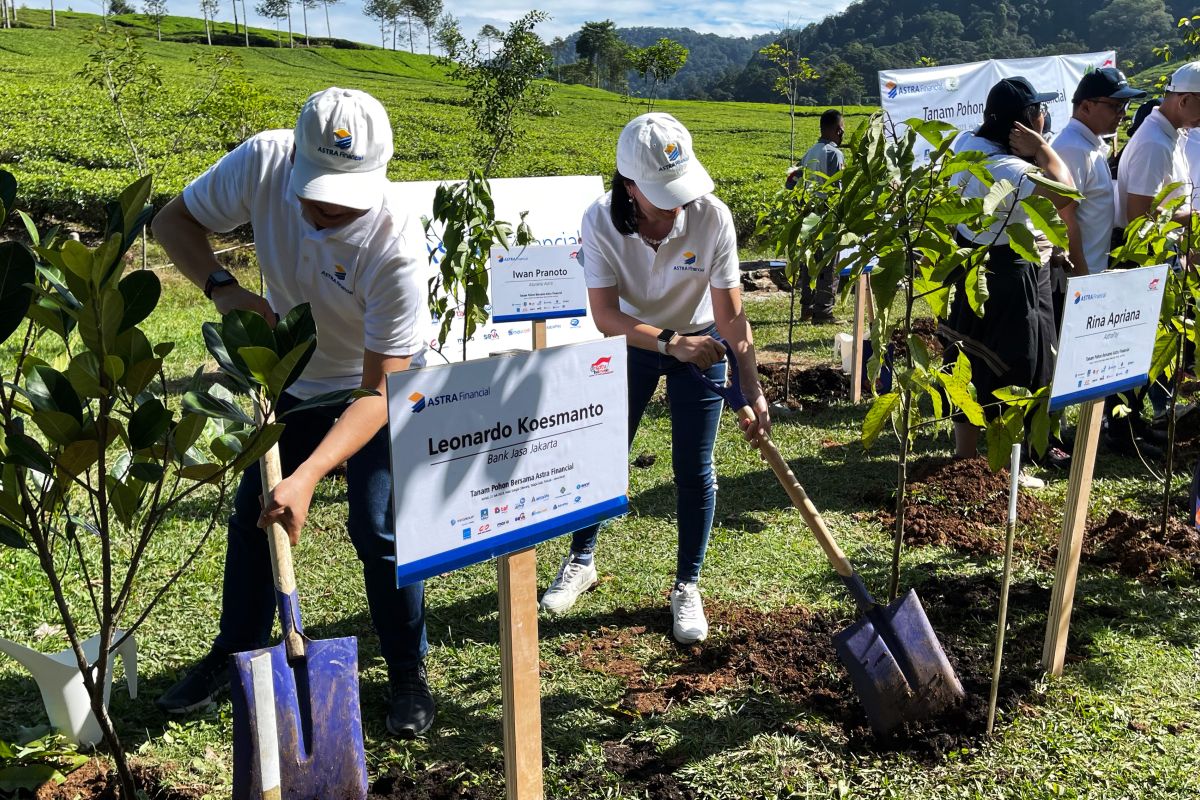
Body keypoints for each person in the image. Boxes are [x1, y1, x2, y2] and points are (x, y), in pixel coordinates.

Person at [151, 87, 436, 739]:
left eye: (343, 201)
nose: (322, 210)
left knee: (378, 526)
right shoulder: (263, 162)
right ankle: (235, 655)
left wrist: (307, 476)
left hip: (375, 385)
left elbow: (379, 392)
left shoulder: (396, 246)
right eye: (315, 191)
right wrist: (224, 289)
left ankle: (408, 672)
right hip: (293, 372)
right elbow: (172, 222)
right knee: (254, 515)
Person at [537, 113, 770, 644]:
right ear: (629, 186)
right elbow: (605, 316)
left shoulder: (712, 218)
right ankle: (581, 559)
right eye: (662, 192)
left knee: (695, 466)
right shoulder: (600, 220)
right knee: (604, 453)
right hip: (636, 343)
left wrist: (751, 388)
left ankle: (687, 584)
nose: (677, 203)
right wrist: (670, 343)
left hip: (703, 342)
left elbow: (732, 317)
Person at [939, 77, 1081, 471]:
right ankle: (1012, 459)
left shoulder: (968, 145)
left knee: (967, 352)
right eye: (1040, 111)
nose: (1045, 116)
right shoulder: (1008, 169)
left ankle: (965, 454)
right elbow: (1067, 192)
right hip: (1010, 270)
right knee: (1020, 360)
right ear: (1023, 125)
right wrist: (1043, 149)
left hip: (973, 262)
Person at [795, 109, 846, 324]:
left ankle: (806, 308)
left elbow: (795, 182)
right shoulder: (835, 154)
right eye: (842, 129)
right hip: (827, 214)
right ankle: (823, 311)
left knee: (809, 264)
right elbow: (838, 188)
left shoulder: (809, 152)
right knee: (828, 264)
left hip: (808, 214)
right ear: (838, 130)